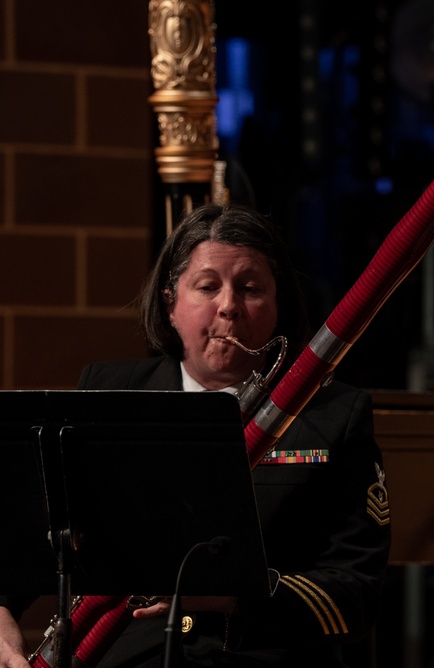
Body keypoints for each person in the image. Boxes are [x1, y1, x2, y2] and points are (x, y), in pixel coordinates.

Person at [0, 203, 391, 667]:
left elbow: (357, 596)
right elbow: (23, 542)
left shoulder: (333, 414)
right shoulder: (109, 391)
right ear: (170, 305)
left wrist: (230, 598)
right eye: (207, 287)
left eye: (250, 289)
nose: (228, 306)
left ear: (278, 304)